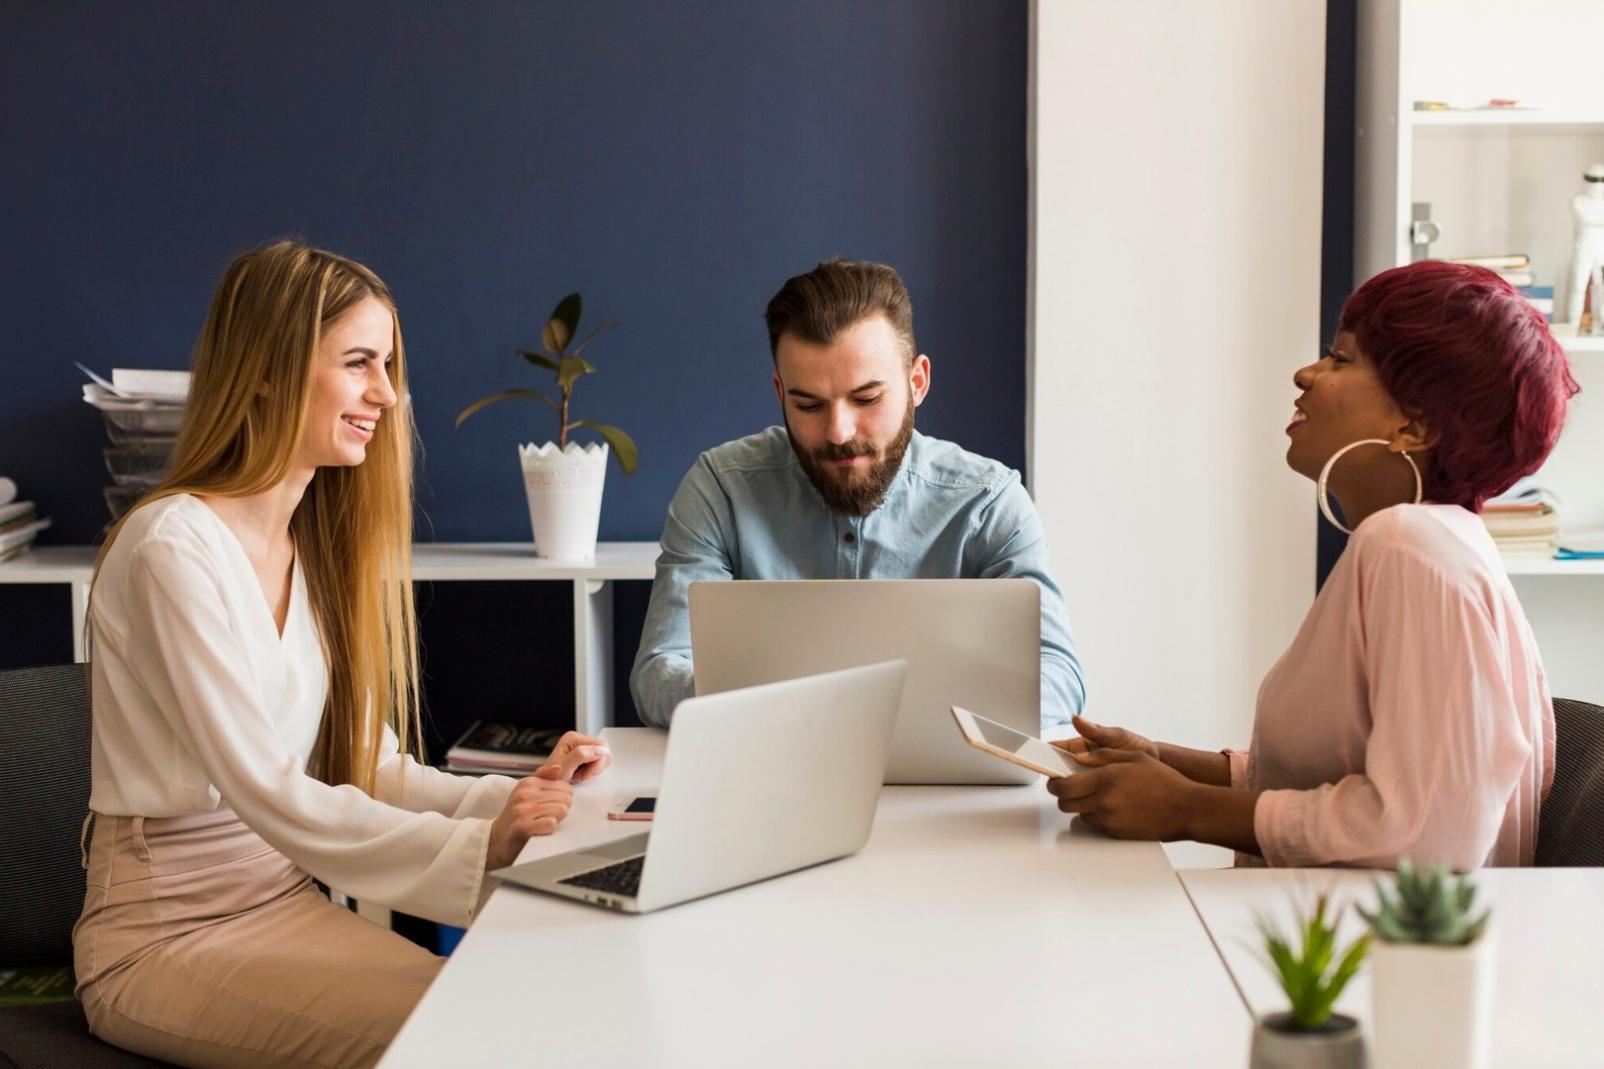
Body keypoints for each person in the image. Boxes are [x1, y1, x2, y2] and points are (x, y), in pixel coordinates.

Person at [74, 240, 613, 1069]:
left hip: (282, 899)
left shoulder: (306, 549)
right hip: (166, 935)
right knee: (472, 1042)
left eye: (388, 365)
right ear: (265, 370)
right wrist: (485, 844)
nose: (387, 394)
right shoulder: (171, 548)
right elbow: (266, 787)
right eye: (359, 362)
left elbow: (370, 766)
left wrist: (517, 799)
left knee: (514, 1015)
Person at [1046, 260, 1577, 869]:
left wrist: (1187, 809)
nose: (1306, 374)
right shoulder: (1435, 542)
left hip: (1356, 930)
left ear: (1414, 424)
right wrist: (1167, 764)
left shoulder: (1408, 545)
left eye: (1340, 359)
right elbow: (1347, 774)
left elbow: (1428, 831)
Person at [630, 258, 1084, 730]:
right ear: (780, 391)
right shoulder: (721, 488)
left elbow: (1058, 676)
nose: (839, 432)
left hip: (942, 771)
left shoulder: (988, 503)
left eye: (866, 399)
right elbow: (659, 671)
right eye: (808, 404)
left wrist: (873, 713)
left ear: (917, 383)